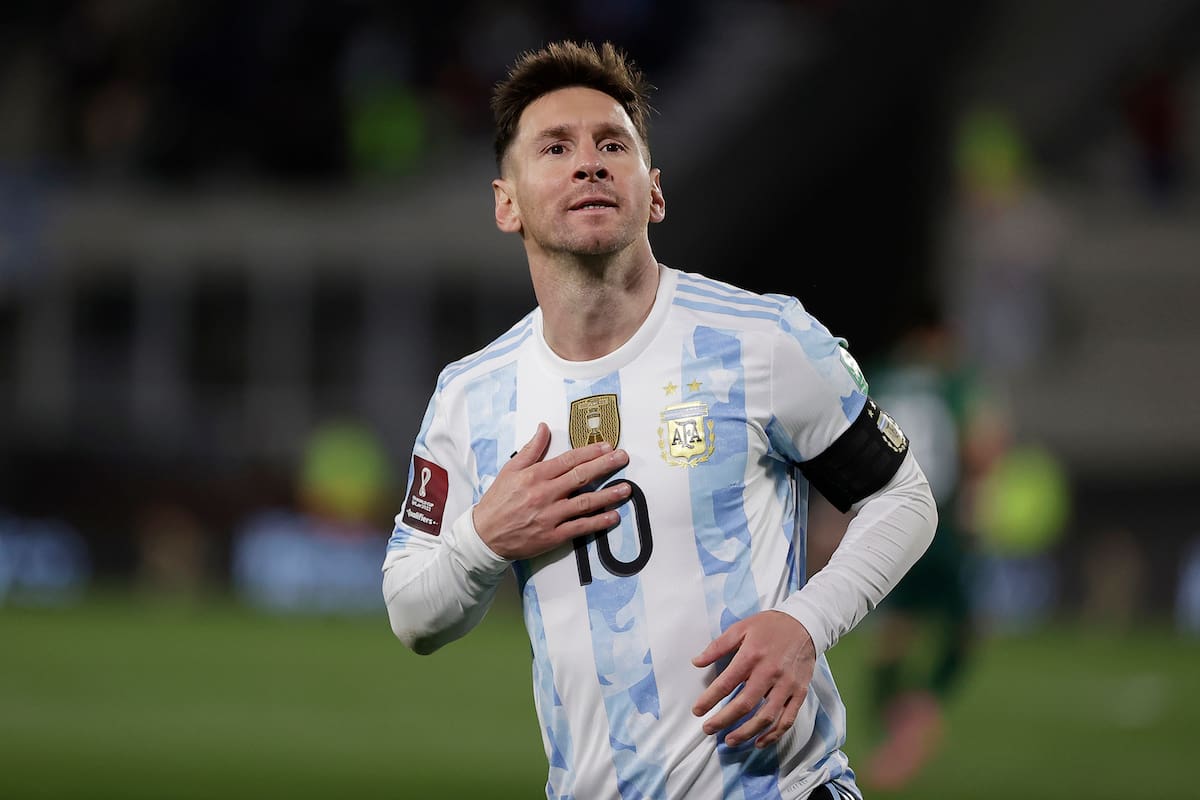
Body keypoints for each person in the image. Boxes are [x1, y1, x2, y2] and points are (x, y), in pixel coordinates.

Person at [382, 40, 937, 800]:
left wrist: (807, 624)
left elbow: (903, 497)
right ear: (506, 203)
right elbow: (412, 612)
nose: (589, 163)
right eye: (555, 148)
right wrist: (486, 538)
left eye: (613, 144)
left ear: (655, 193)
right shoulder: (470, 396)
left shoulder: (762, 340)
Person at [853, 301, 1008, 791]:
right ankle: (920, 713)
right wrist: (981, 498)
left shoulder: (878, 376)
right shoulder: (951, 381)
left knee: (894, 630)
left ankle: (889, 728)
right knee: (967, 626)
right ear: (935, 335)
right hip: (938, 520)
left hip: (885, 518)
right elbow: (981, 443)